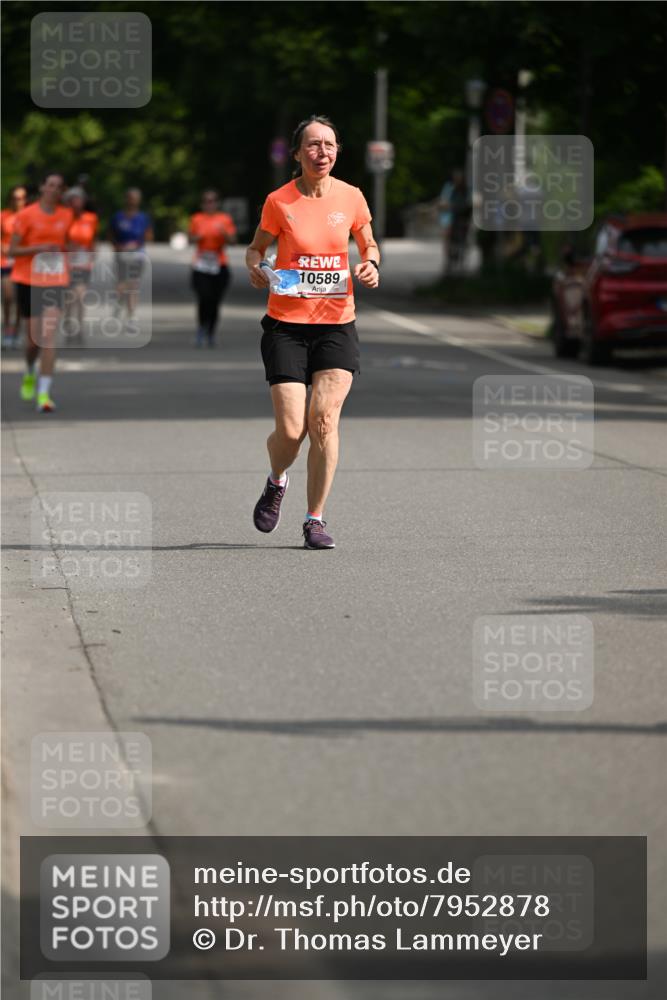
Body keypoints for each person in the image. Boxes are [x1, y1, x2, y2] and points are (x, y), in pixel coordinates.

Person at [245, 114, 380, 550]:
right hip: (286, 327)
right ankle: (276, 479)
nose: (322, 152)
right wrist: (257, 268)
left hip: (336, 325)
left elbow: (369, 244)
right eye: (314, 145)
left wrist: (370, 264)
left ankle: (314, 519)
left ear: (338, 152)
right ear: (298, 153)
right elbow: (255, 249)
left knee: (322, 421)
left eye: (329, 145)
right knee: (291, 432)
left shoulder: (352, 197)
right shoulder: (279, 201)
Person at [9, 172, 72, 413]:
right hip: (28, 279)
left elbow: (70, 245)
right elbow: (12, 251)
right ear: (42, 187)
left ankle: (44, 394)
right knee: (33, 341)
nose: (54, 189)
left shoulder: (66, 215)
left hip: (55, 280)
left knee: (48, 336)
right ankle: (29, 371)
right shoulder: (26, 215)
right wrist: (39, 248)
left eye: (59, 186)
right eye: (50, 185)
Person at [188, 189, 236, 347]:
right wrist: (197, 237)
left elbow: (233, 241)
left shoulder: (224, 219)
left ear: (217, 203)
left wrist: (224, 234)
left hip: (219, 264)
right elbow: (190, 239)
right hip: (201, 264)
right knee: (204, 297)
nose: (210, 204)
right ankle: (201, 327)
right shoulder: (197, 218)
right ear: (202, 203)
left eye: (212, 201)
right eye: (206, 201)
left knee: (215, 301)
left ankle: (211, 332)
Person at [109, 188, 153, 328]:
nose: (132, 201)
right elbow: (110, 234)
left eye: (135, 198)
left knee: (133, 284)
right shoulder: (118, 217)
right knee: (121, 285)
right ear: (126, 199)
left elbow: (149, 236)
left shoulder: (143, 218)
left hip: (137, 255)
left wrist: (136, 244)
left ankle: (131, 316)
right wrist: (118, 246)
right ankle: (118, 303)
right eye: (130, 198)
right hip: (121, 255)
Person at [62, 186, 98, 342]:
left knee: (81, 295)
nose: (77, 203)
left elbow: (93, 238)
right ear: (68, 202)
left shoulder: (91, 218)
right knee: (69, 297)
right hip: (66, 261)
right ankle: (68, 325)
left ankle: (79, 329)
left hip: (84, 261)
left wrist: (93, 252)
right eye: (73, 201)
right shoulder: (63, 218)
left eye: (79, 200)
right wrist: (68, 247)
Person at [1, 184, 28, 348]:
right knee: (7, 296)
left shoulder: (29, 216)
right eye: (16, 198)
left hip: (23, 262)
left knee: (20, 300)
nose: (19, 201)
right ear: (10, 199)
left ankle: (16, 330)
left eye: (22, 198)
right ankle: (7, 328)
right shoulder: (3, 216)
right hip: (5, 261)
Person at [438, 169, 470, 274]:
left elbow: (468, 203)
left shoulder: (466, 189)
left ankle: (460, 261)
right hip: (449, 218)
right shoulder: (449, 187)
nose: (457, 180)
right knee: (448, 239)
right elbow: (443, 201)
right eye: (456, 178)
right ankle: (449, 261)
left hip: (461, 218)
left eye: (459, 178)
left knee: (461, 240)